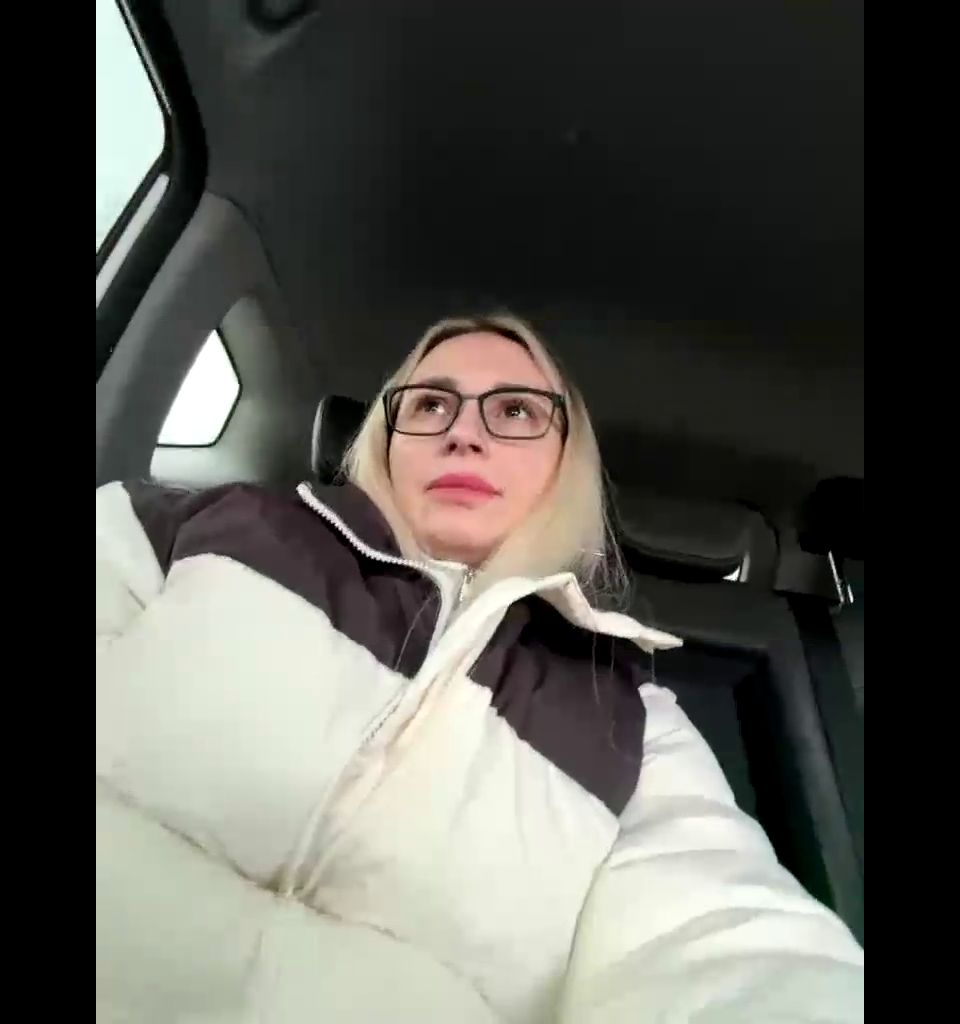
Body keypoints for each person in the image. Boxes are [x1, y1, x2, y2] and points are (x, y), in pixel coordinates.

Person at [96, 313, 864, 1023]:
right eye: (431, 404)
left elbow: (719, 943)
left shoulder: (633, 723)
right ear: (384, 439)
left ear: (565, 462)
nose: (463, 434)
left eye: (517, 412)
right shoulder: (204, 527)